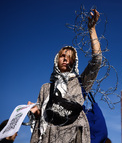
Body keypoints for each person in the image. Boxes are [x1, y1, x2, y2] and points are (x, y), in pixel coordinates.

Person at [28, 9, 102, 143]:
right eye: (63, 56)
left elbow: (97, 60)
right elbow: (42, 117)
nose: (65, 59)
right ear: (57, 59)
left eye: (69, 57)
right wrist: (35, 112)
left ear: (74, 62)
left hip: (71, 138)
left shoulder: (81, 83)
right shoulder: (45, 88)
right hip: (47, 138)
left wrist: (92, 30)